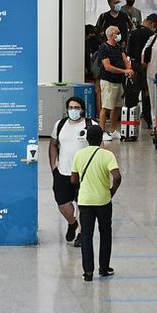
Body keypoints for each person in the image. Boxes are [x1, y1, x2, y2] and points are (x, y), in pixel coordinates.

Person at [70, 123, 120, 282]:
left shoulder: (79, 155)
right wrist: (112, 190)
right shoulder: (107, 155)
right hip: (103, 200)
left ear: (86, 139)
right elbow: (117, 176)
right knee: (105, 233)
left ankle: (88, 272)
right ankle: (104, 268)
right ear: (101, 140)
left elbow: (73, 179)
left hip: (84, 201)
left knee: (86, 235)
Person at [49, 95, 95, 245]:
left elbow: (99, 147)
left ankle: (81, 234)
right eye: (71, 108)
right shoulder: (60, 124)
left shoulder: (90, 124)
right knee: (62, 203)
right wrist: (53, 166)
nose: (73, 110)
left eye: (76, 108)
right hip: (63, 171)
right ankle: (72, 222)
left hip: (84, 173)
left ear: (82, 110)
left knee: (82, 204)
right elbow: (53, 144)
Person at [95, 26, 132, 141]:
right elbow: (107, 67)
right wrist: (124, 71)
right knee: (106, 106)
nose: (120, 35)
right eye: (118, 33)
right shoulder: (104, 48)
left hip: (119, 81)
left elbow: (125, 59)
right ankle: (102, 131)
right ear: (112, 35)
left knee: (117, 106)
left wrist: (129, 69)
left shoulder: (118, 47)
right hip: (108, 81)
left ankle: (113, 129)